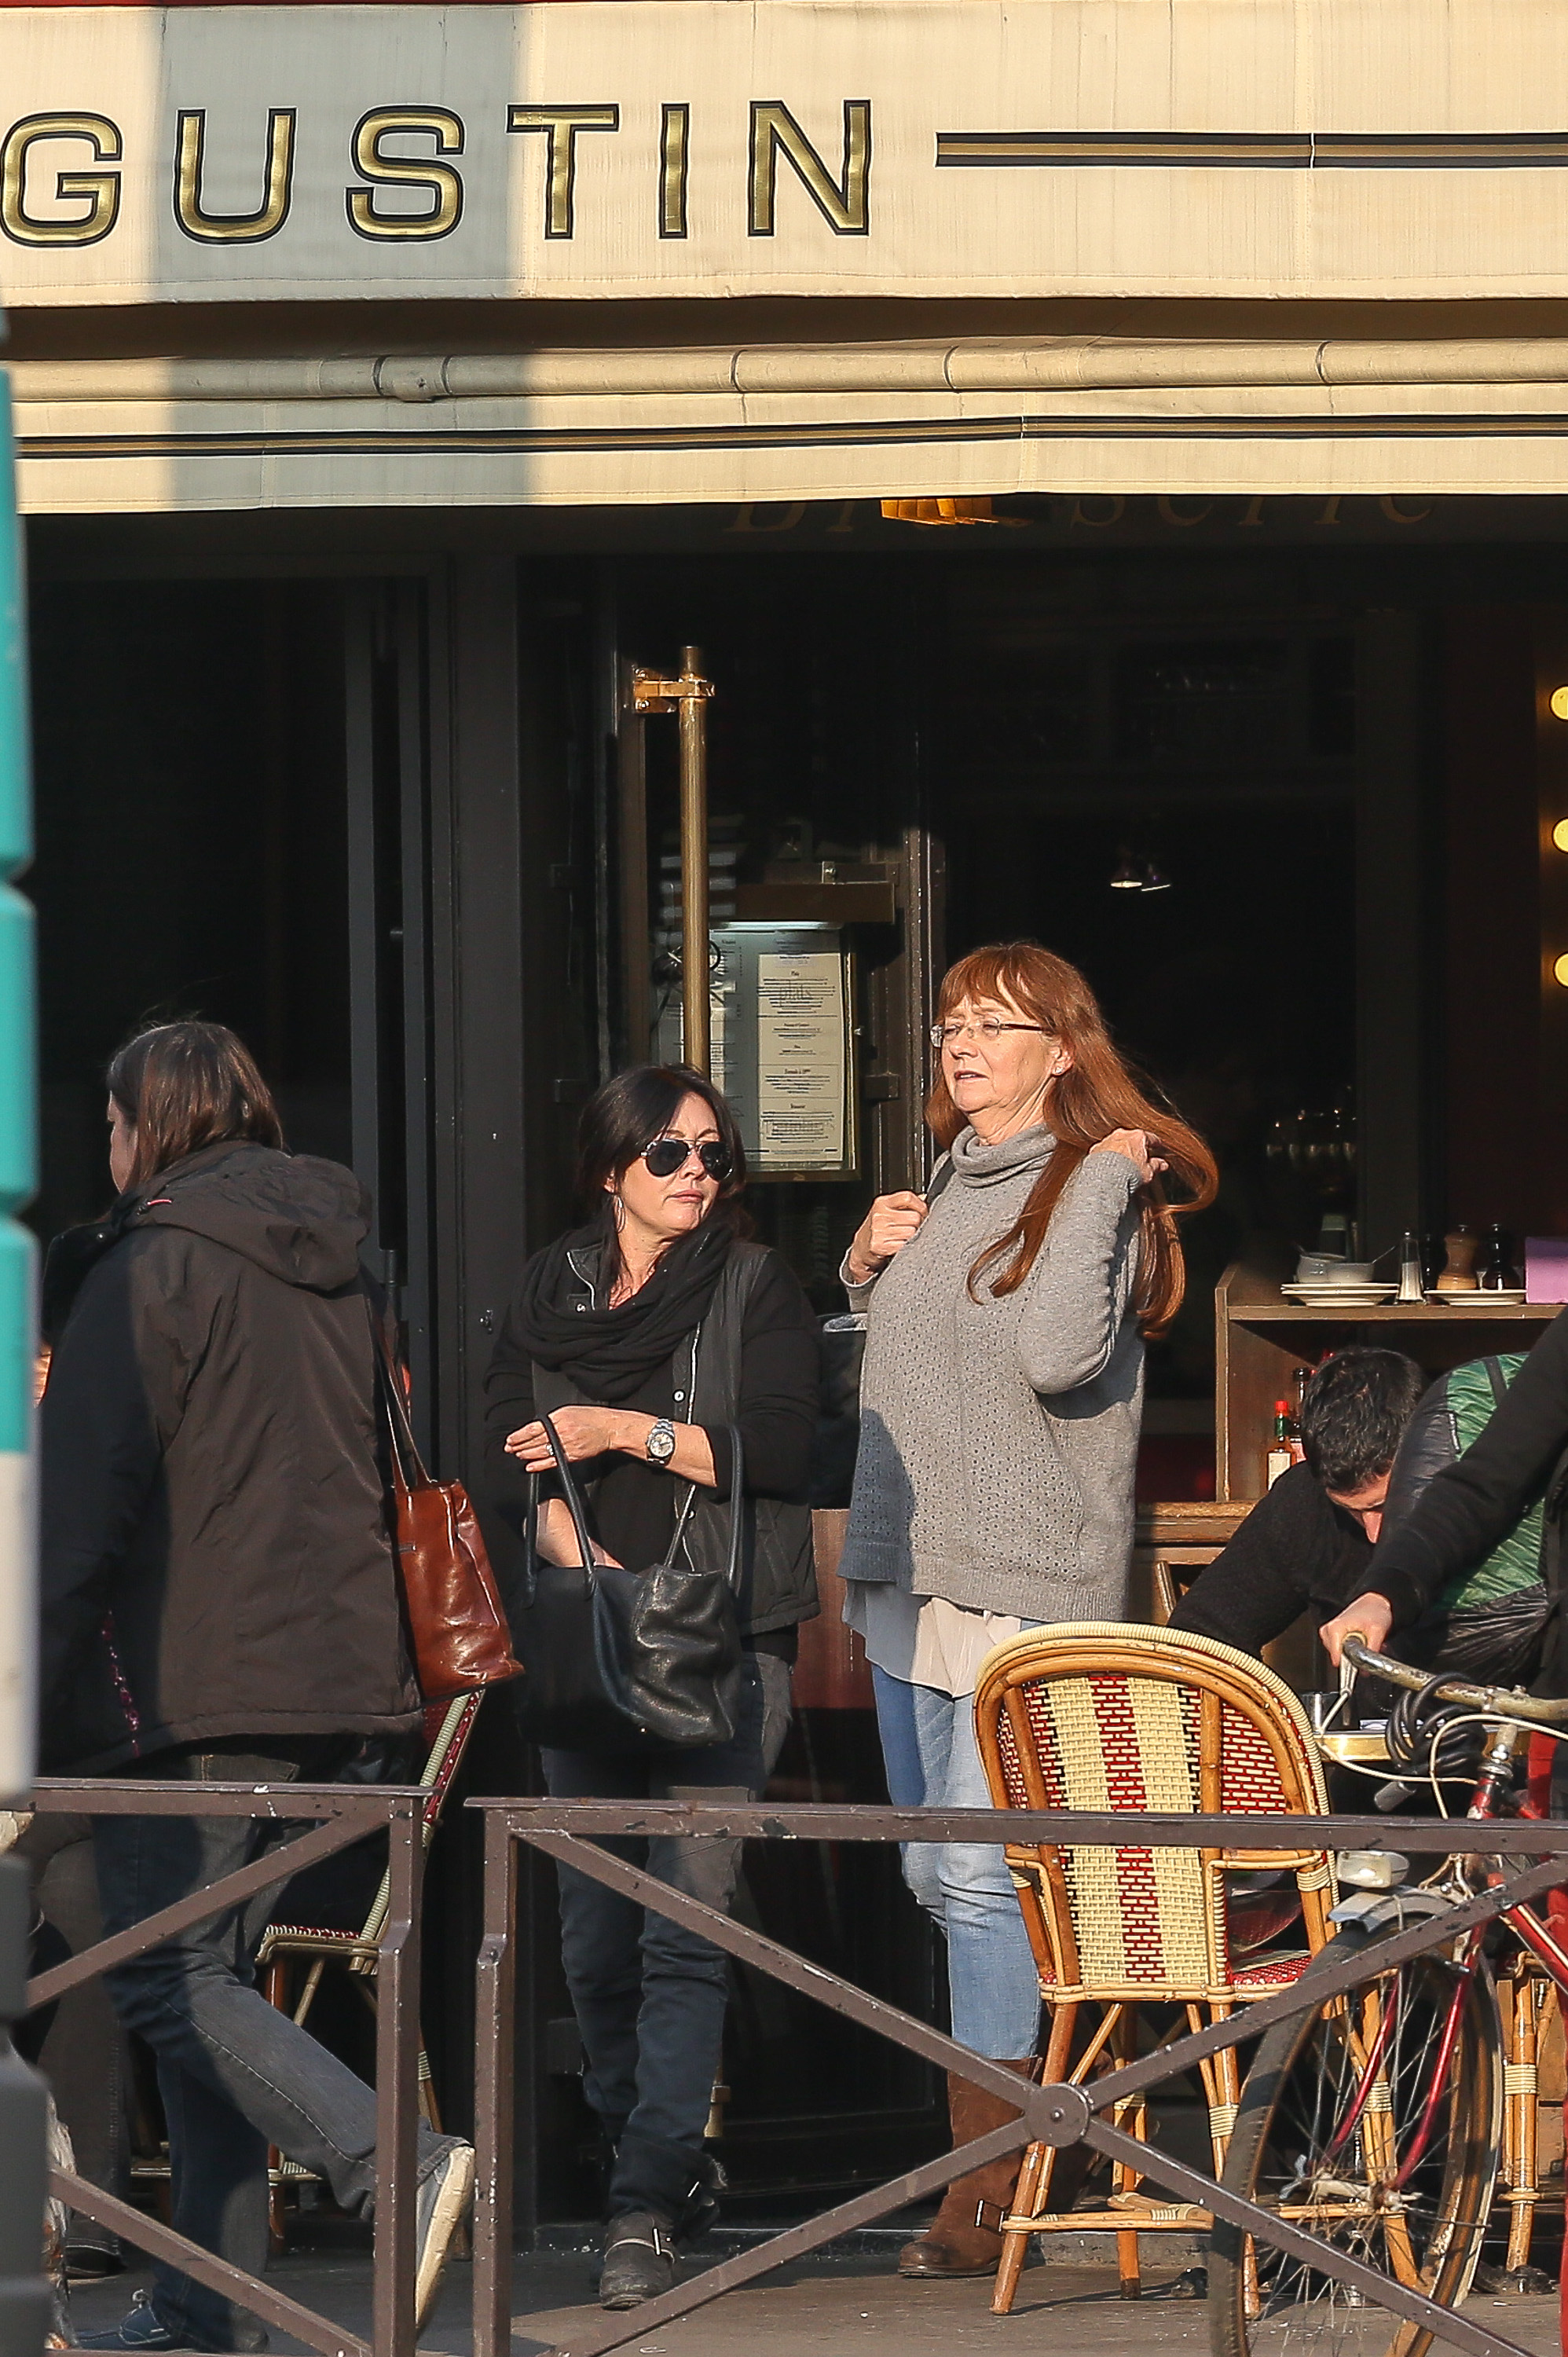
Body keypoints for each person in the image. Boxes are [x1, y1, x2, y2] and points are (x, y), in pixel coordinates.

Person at [39, 1021, 474, 2355]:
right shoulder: (341, 1267)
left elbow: (82, 1508)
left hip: (192, 1682)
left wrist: (27, 1680)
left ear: (147, 1126)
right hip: (338, 1681)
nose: (103, 1154)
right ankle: (201, 2304)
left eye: (111, 1129)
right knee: (207, 1985)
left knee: (169, 1981)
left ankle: (388, 2159)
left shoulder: (142, 1270)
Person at [837, 940, 1217, 2281]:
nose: (960, 1043)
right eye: (950, 1022)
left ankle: (994, 2188)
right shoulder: (947, 1180)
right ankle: (1049, 2137)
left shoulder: (1086, 1180)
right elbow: (917, 1371)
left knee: (982, 1882)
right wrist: (863, 1267)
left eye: (994, 1024)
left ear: (1062, 1046)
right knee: (929, 1874)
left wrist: (1112, 1171)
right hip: (912, 1570)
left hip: (1019, 1583)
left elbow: (1057, 1354)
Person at [483, 1065, 819, 2312]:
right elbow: (497, 1443)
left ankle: (642, 2199)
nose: (696, 1176)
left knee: (687, 1924)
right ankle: (657, 2156)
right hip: (590, 1630)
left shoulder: (754, 1284)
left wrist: (624, 1433)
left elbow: (789, 1446)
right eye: (670, 1155)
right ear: (610, 1167)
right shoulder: (550, 1289)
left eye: (713, 1157)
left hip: (722, 1637)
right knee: (593, 1940)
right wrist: (581, 1551)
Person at [1170, 1349, 1426, 1655]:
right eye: (1353, 1511)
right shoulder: (1305, 1501)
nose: (1373, 1532)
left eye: (1383, 1505)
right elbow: (1201, 1638)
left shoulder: (1487, 1494)